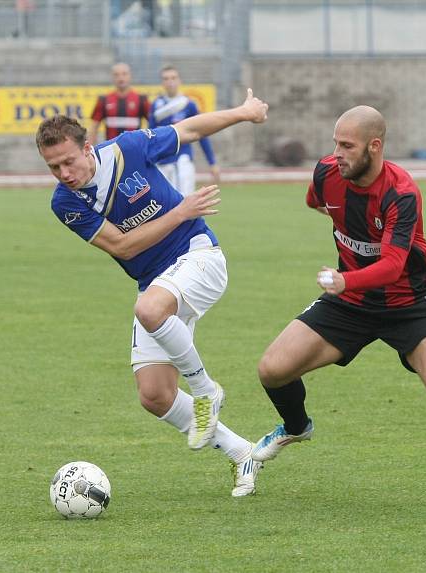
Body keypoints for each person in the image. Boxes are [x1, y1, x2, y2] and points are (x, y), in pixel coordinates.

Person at [250, 105, 426, 505]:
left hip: (408, 304)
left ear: (375, 146)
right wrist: (347, 246)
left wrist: (344, 279)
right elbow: (314, 201)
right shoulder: (326, 172)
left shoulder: (401, 192)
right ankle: (296, 426)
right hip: (349, 304)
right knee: (272, 369)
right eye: (335, 143)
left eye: (347, 146)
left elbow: (391, 266)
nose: (338, 153)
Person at [36, 89, 269, 497]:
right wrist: (180, 211)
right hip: (157, 283)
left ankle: (205, 390)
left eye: (69, 161)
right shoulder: (65, 202)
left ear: (88, 149)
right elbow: (124, 247)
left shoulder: (128, 148)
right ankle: (241, 452)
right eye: (53, 167)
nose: (64, 173)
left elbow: (190, 128)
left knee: (149, 308)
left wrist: (244, 112)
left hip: (200, 258)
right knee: (155, 395)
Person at [149, 65, 220, 197]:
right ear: (162, 82)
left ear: (179, 80)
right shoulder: (156, 105)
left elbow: (202, 134)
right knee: (164, 204)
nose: (170, 81)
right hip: (162, 162)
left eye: (173, 78)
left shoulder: (188, 104)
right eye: (166, 78)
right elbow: (150, 135)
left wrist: (212, 162)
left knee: (185, 199)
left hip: (182, 160)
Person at [89, 62, 151, 145]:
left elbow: (153, 124)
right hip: (111, 152)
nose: (121, 78)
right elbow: (93, 127)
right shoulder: (104, 100)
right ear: (112, 78)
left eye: (124, 74)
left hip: (135, 151)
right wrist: (91, 151)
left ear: (130, 76)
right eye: (116, 75)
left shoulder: (141, 99)